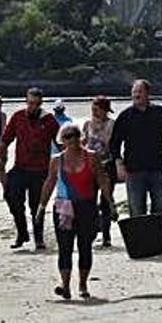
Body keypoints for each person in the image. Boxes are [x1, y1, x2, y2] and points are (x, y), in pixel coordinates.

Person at [37, 124, 117, 300]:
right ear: (61, 140)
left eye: (74, 135)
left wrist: (110, 203)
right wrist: (41, 207)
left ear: (80, 136)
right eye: (67, 136)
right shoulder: (57, 160)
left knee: (84, 246)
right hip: (63, 208)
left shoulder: (91, 157)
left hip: (87, 206)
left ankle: (82, 284)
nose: (71, 139)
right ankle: (65, 286)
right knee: (64, 248)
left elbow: (102, 179)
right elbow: (49, 183)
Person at [0, 87, 60, 250]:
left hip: (40, 170)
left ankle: (39, 238)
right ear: (26, 101)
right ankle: (22, 232)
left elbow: (60, 143)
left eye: (36, 104)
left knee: (36, 205)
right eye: (30, 103)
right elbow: (5, 139)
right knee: (11, 196)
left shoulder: (49, 120)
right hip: (20, 168)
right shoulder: (18, 117)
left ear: (41, 104)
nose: (32, 107)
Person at [109, 79, 162, 217]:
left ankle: (158, 239)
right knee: (136, 213)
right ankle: (140, 239)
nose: (136, 95)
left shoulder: (160, 113)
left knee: (160, 212)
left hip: (158, 170)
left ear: (148, 93)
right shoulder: (125, 116)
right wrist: (118, 164)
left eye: (139, 91)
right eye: (134, 92)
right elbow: (114, 144)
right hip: (134, 172)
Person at [82, 95, 116, 247]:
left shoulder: (112, 124)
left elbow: (112, 145)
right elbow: (83, 144)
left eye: (98, 110)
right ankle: (93, 231)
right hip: (90, 167)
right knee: (89, 200)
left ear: (105, 110)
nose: (95, 113)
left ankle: (107, 236)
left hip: (107, 165)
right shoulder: (87, 124)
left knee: (106, 200)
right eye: (93, 110)